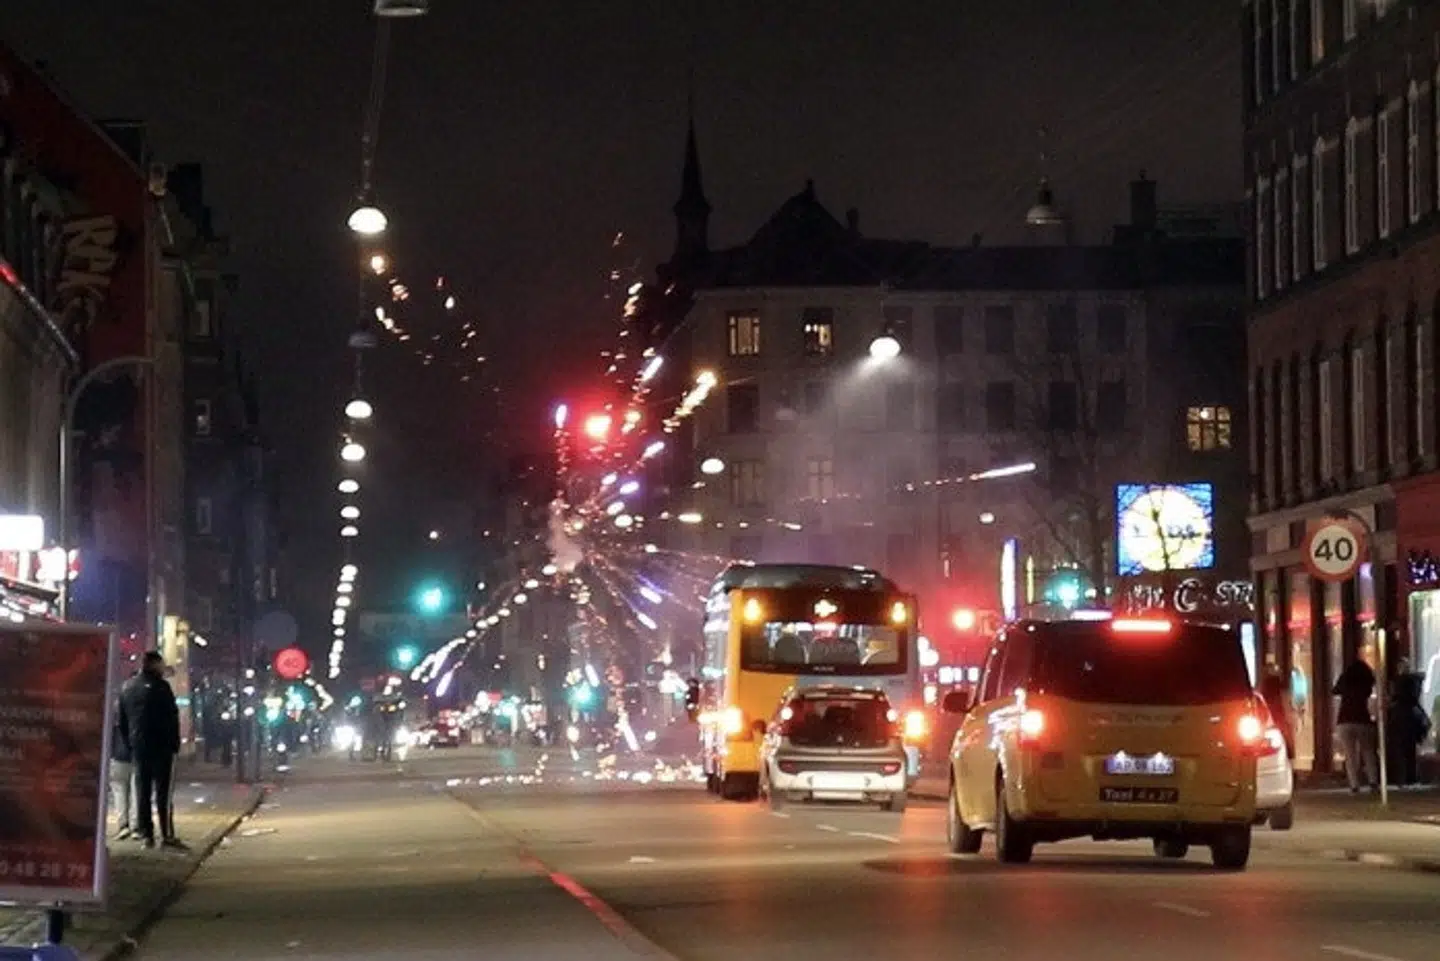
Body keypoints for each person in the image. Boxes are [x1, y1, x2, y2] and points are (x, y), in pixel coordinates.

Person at [117, 651, 185, 849]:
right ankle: (166, 834)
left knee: (142, 792)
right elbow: (172, 717)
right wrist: (174, 744)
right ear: (154, 665)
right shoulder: (161, 687)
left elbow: (121, 720)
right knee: (163, 793)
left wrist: (130, 744)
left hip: (139, 747)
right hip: (162, 747)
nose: (163, 668)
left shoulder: (127, 687)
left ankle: (147, 834)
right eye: (161, 664)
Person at [1333, 657, 1379, 793]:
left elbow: (1334, 691)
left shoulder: (1345, 679)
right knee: (1368, 752)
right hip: (1362, 719)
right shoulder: (1366, 682)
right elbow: (1370, 691)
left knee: (1350, 754)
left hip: (1345, 720)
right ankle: (1373, 782)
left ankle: (1354, 785)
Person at [109, 697, 137, 840]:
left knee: (119, 792)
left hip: (118, 758)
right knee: (136, 793)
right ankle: (136, 827)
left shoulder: (113, 720)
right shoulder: (138, 718)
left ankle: (123, 825)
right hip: (136, 758)